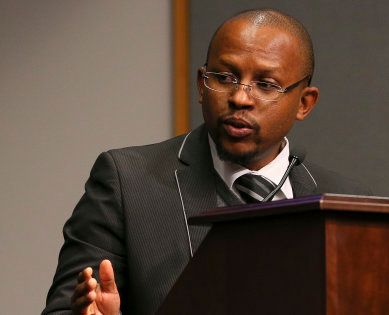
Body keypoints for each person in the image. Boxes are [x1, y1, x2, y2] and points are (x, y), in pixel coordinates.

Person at [43, 8, 369, 315]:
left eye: (266, 84)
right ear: (202, 85)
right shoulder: (127, 183)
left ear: (304, 103)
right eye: (225, 78)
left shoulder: (346, 204)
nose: (240, 97)